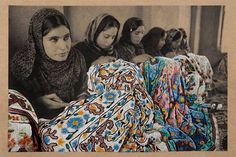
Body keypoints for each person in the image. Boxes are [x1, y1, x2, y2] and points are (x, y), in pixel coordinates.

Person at [10, 8, 87, 119]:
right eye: (54, 39)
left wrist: (80, 101)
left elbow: (83, 88)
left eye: (66, 37)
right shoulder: (24, 66)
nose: (64, 47)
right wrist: (38, 103)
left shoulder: (77, 58)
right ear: (38, 40)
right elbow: (12, 109)